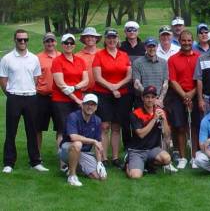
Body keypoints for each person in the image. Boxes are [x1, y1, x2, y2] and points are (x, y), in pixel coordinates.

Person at [1, 29, 47, 173]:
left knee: (32, 130)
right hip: (14, 97)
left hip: (31, 97)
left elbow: (35, 78)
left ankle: (35, 162)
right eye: (20, 39)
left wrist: (29, 90)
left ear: (28, 41)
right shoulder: (7, 58)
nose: (22, 42)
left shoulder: (34, 58)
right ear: (15, 40)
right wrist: (10, 94)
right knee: (11, 131)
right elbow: (3, 80)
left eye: (25, 40)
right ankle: (9, 163)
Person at [93, 28, 133, 169]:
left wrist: (117, 86)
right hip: (103, 94)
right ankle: (103, 158)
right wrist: (112, 88)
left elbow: (129, 75)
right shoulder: (99, 55)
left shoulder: (123, 55)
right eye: (109, 38)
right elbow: (97, 77)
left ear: (118, 39)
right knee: (104, 126)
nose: (111, 40)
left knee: (116, 126)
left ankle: (115, 157)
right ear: (105, 40)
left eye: (114, 38)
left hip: (121, 94)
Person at [51, 34, 89, 172]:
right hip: (61, 101)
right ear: (62, 44)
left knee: (75, 130)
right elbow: (61, 85)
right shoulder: (57, 61)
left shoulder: (80, 60)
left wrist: (74, 87)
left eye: (71, 43)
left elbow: (86, 80)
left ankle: (74, 158)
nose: (68, 45)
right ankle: (63, 162)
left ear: (74, 45)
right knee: (62, 130)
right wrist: (77, 98)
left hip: (76, 99)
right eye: (66, 43)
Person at [167, 30, 201, 169]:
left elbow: (200, 79)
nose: (186, 43)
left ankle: (194, 156)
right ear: (179, 41)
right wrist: (184, 95)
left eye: (189, 40)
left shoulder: (199, 57)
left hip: (196, 94)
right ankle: (182, 157)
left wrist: (191, 94)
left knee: (194, 127)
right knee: (180, 126)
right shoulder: (173, 59)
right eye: (183, 40)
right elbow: (172, 80)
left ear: (192, 41)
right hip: (177, 95)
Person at [59, 94, 107, 186]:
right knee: (78, 144)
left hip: (84, 153)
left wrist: (99, 162)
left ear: (96, 107)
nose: (90, 107)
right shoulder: (73, 116)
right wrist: (93, 141)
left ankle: (71, 167)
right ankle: (72, 176)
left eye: (93, 105)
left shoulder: (97, 120)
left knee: (99, 177)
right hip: (67, 150)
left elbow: (98, 143)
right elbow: (73, 137)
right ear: (82, 105)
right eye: (87, 104)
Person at [126, 86, 173, 178]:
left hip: (153, 149)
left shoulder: (161, 112)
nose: (150, 100)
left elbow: (167, 135)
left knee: (167, 159)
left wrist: (164, 120)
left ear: (156, 99)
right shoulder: (135, 113)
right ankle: (127, 164)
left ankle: (146, 164)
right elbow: (141, 134)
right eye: (147, 97)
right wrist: (154, 119)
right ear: (142, 98)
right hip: (137, 150)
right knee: (135, 176)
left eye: (152, 97)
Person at [35, 33, 62, 157]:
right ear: (44, 43)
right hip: (42, 97)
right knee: (38, 128)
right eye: (47, 41)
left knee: (61, 128)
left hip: (59, 96)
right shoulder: (37, 58)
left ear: (55, 42)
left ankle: (62, 156)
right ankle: (37, 155)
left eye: (52, 41)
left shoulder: (62, 56)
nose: (50, 44)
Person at [131, 37, 168, 109]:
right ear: (145, 47)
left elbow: (165, 84)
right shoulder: (137, 63)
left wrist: (159, 100)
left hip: (159, 103)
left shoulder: (163, 62)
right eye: (149, 46)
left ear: (157, 47)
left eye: (153, 46)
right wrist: (150, 98)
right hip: (142, 102)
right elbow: (136, 84)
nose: (151, 49)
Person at [76, 27, 102, 91]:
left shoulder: (103, 53)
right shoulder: (77, 56)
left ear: (96, 38)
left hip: (102, 91)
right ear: (84, 39)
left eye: (92, 36)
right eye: (87, 37)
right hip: (84, 92)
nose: (90, 39)